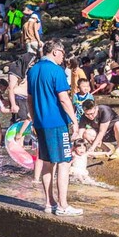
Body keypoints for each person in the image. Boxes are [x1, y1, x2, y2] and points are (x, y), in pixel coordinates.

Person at [27, 40, 81, 216]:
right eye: (63, 54)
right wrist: (74, 121)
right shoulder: (56, 71)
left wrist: (34, 120)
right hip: (57, 122)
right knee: (64, 162)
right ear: (56, 52)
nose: (63, 58)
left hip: (40, 122)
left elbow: (29, 99)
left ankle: (49, 203)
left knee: (47, 164)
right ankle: (63, 206)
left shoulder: (33, 70)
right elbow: (64, 99)